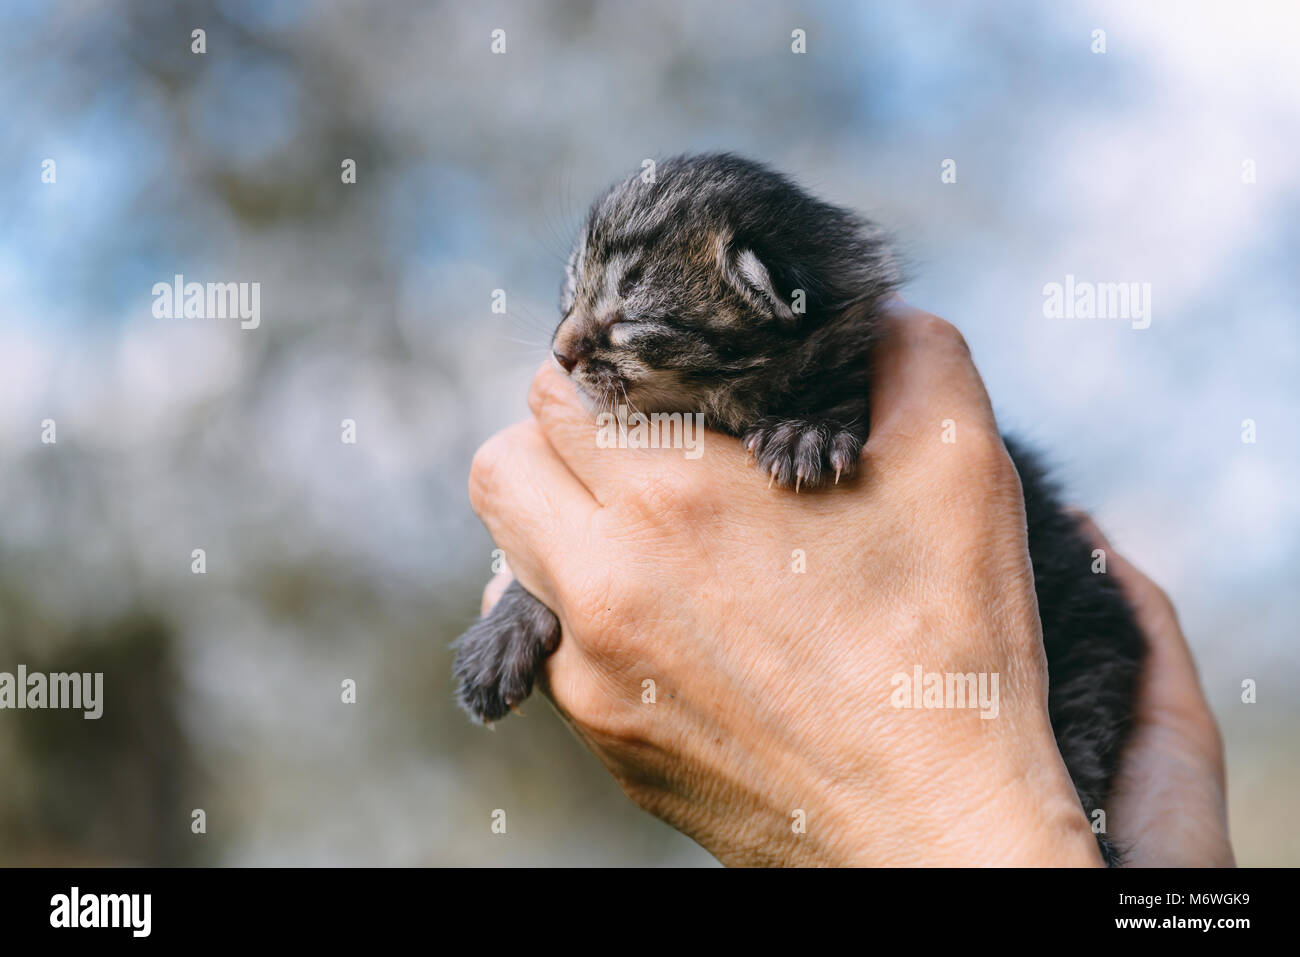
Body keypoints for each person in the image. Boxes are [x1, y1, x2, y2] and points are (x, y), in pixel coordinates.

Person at [467, 299, 1234, 867]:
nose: (565, 344)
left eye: (622, 316)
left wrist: (882, 827)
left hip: (1061, 685)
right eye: (573, 300)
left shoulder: (870, 395)